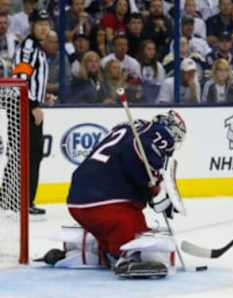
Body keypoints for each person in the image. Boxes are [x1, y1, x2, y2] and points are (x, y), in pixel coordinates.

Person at [38, 111, 187, 278]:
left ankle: (91, 252)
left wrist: (151, 191)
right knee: (134, 226)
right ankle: (127, 258)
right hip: (106, 202)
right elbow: (142, 161)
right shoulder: (158, 132)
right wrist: (155, 192)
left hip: (77, 199)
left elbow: (130, 162)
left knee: (109, 229)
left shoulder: (126, 128)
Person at [12, 9, 51, 215]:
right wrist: (34, 104)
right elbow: (20, 76)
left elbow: (31, 78)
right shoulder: (29, 47)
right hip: (25, 108)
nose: (44, 28)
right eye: (40, 24)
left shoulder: (36, 48)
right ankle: (22, 201)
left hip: (29, 105)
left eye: (47, 24)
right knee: (29, 154)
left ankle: (21, 201)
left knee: (30, 154)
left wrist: (43, 97)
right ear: (32, 25)